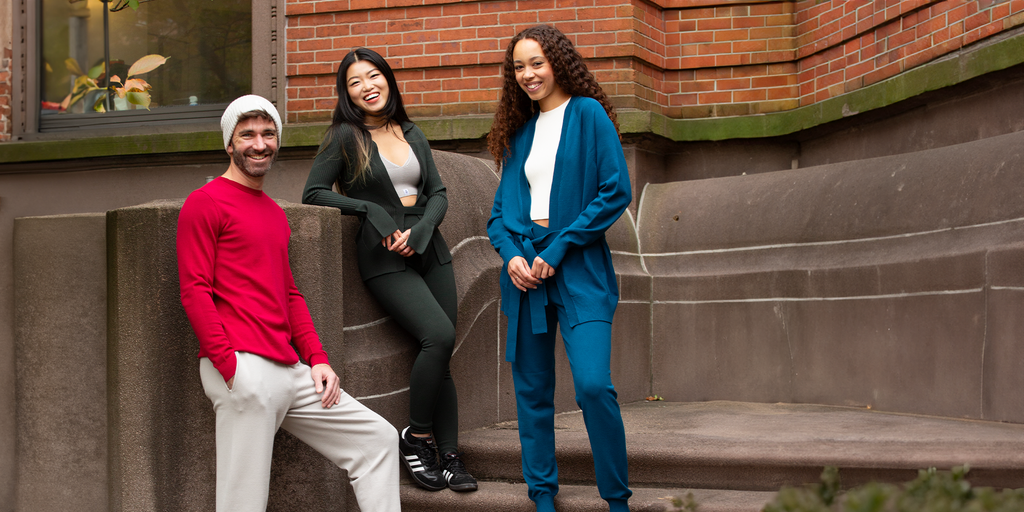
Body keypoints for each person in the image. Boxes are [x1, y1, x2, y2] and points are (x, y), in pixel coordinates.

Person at [177, 94, 401, 512]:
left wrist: (317, 358)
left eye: (268, 134)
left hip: (291, 369)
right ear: (230, 143)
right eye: (247, 135)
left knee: (378, 440)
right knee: (242, 500)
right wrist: (229, 366)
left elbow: (290, 294)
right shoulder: (204, 203)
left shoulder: (274, 213)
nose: (259, 144)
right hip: (243, 367)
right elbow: (194, 289)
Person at [302, 48, 478, 493]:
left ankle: (450, 453)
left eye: (374, 75)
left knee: (443, 354)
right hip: (381, 257)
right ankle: (417, 438)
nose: (367, 86)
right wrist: (368, 210)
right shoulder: (344, 136)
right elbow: (314, 193)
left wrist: (419, 231)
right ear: (347, 93)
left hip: (427, 248)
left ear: (388, 79)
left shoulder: (411, 131)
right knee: (436, 336)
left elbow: (437, 193)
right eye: (355, 81)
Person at [486, 25, 633, 512]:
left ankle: (616, 499)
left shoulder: (588, 115)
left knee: (593, 384)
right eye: (519, 67)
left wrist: (559, 247)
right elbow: (498, 216)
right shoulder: (521, 133)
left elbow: (615, 190)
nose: (528, 74)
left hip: (580, 268)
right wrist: (514, 258)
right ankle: (542, 497)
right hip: (528, 275)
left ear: (559, 63)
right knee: (532, 391)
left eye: (537, 63)